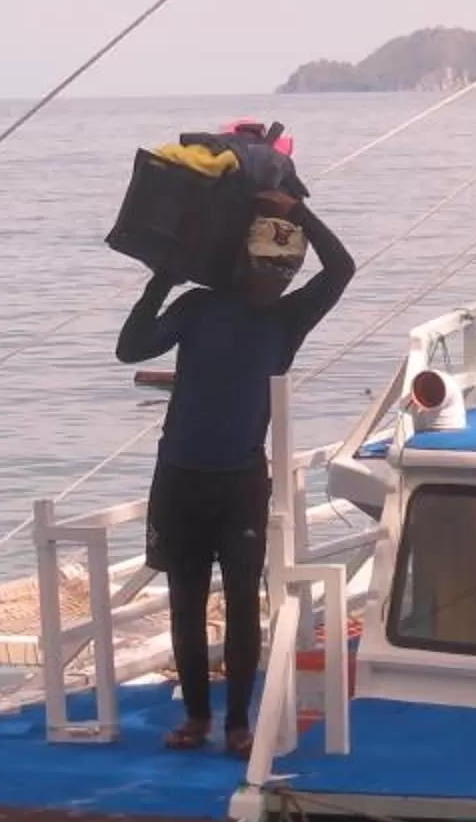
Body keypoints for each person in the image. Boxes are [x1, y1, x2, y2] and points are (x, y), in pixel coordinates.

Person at [114, 195, 358, 755]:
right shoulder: (199, 306)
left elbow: (341, 268)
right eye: (264, 266)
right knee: (186, 601)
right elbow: (130, 349)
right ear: (242, 261)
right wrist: (161, 282)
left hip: (241, 479)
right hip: (179, 477)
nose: (272, 279)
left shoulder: (287, 318)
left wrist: (302, 210)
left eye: (283, 270)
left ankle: (238, 725)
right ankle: (198, 717)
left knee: (246, 602)